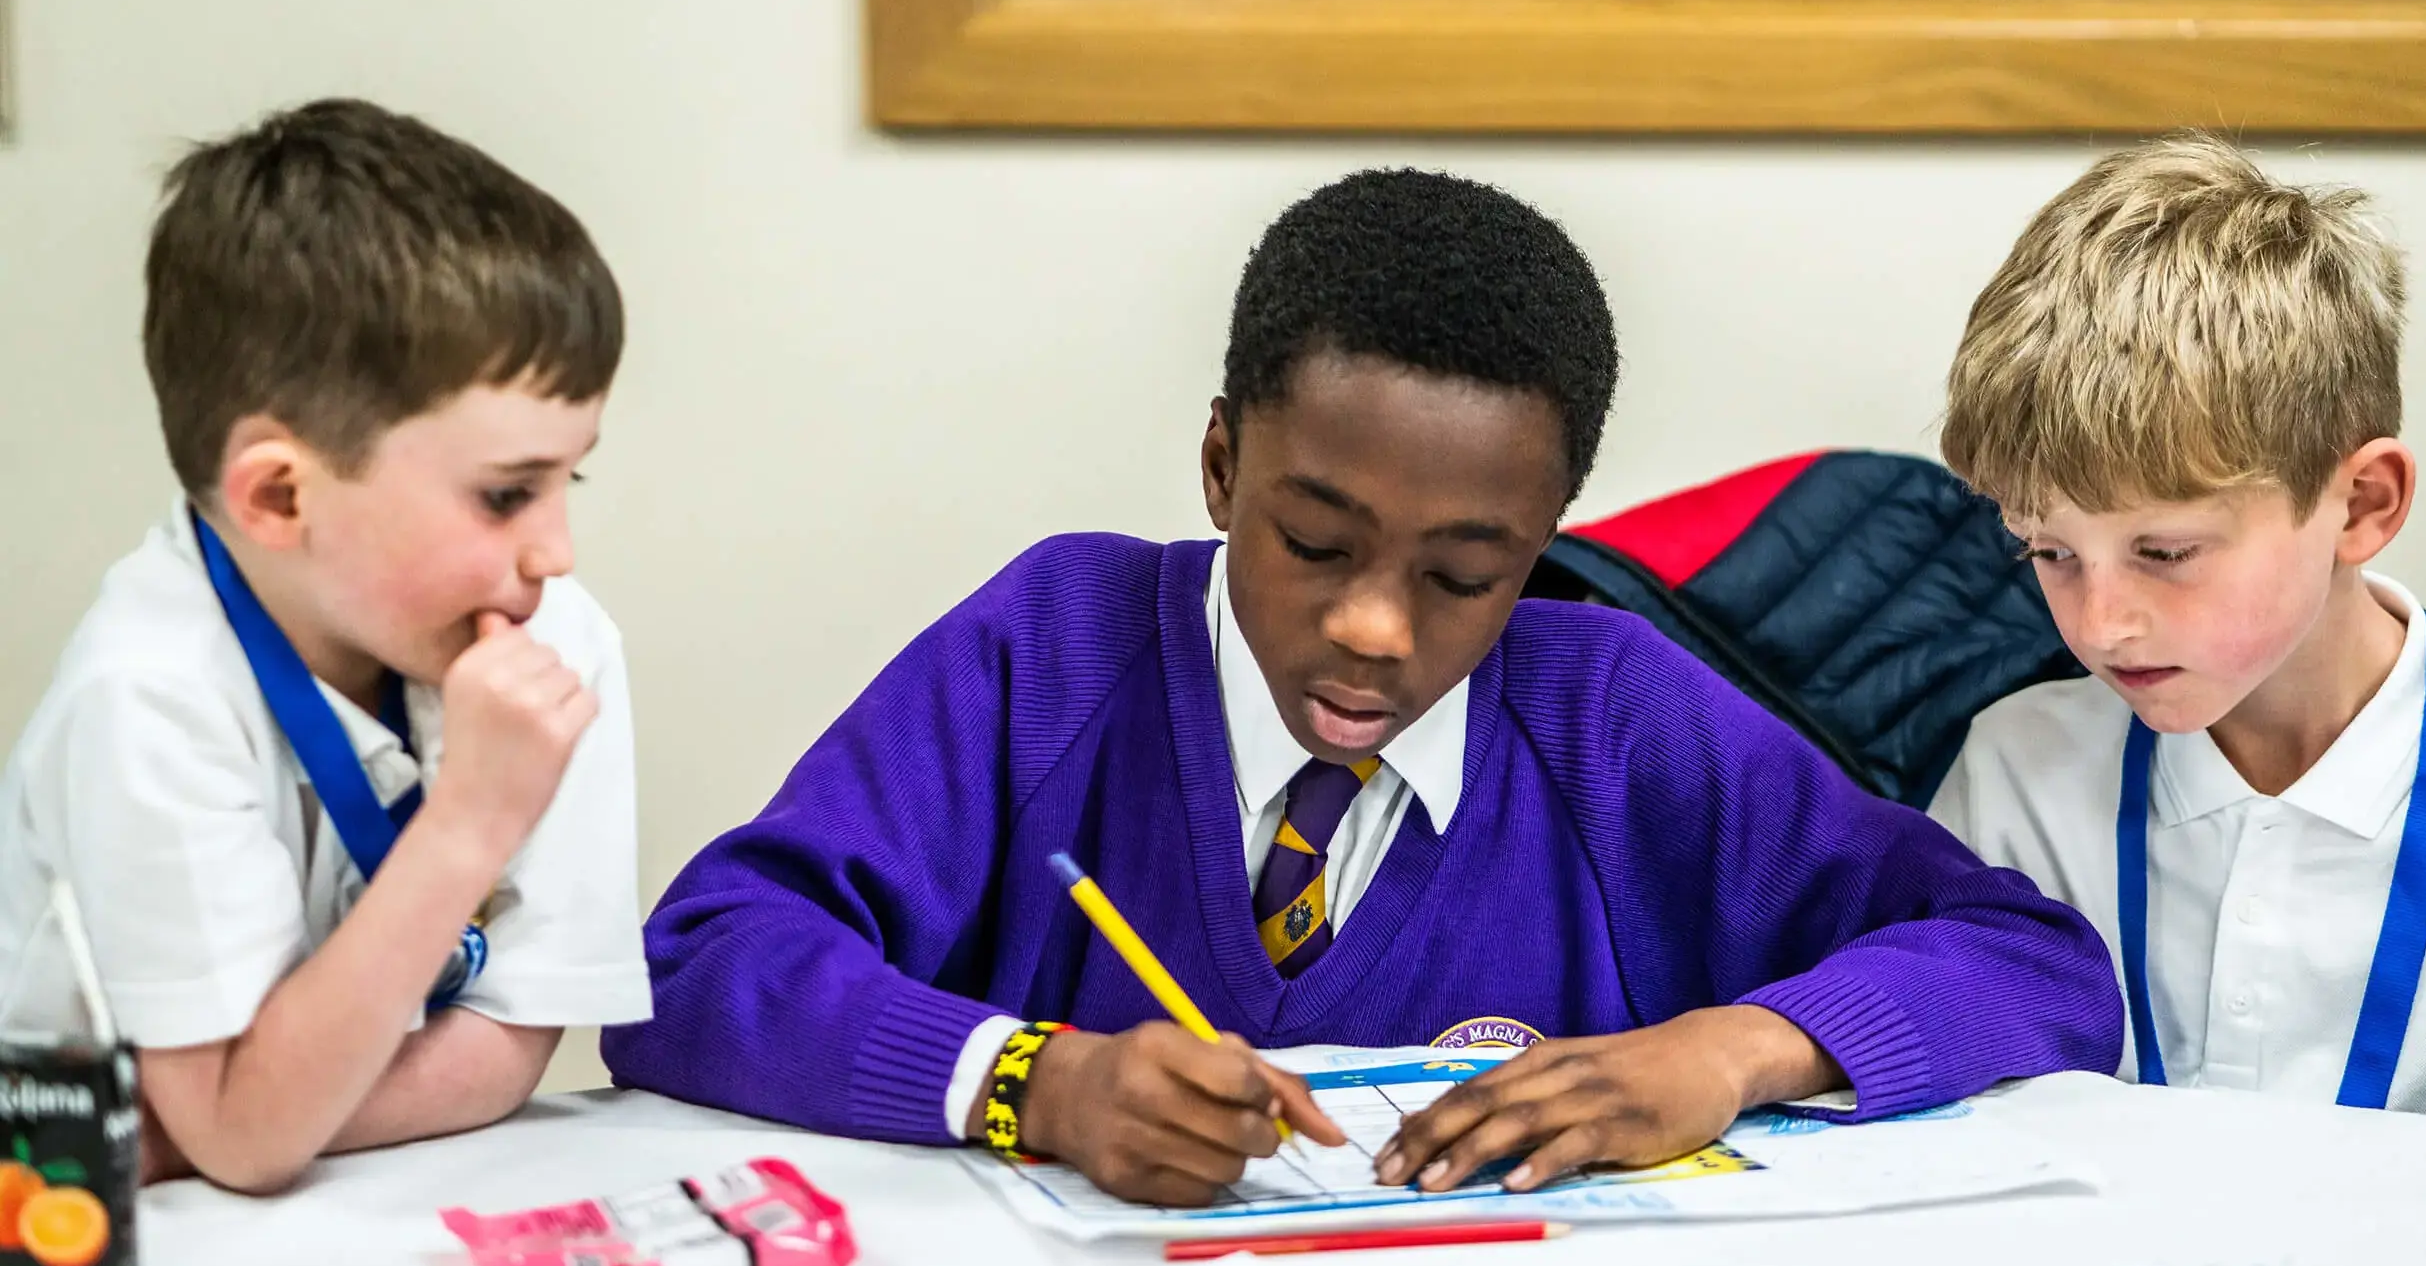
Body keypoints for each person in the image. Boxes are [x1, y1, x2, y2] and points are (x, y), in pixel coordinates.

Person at [605, 168, 2121, 1204]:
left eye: (1469, 575)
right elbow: (695, 964)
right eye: (1317, 542)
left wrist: (1727, 1050)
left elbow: (2032, 961)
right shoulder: (1053, 647)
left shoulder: (1609, 714)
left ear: (1543, 546)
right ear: (1219, 466)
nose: (1380, 628)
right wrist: (1032, 1083)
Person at [0, 98, 652, 1191]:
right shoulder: (146, 693)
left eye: (565, 478)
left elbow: (509, 1050)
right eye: (506, 494)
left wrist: (221, 1121)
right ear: (280, 494)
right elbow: (248, 1142)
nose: (556, 553)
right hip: (91, 1253)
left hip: (311, 1208)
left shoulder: (557, 646)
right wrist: (472, 823)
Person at [1931, 132, 2426, 1125]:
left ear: (2359, 504)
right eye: (2048, 553)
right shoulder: (2015, 771)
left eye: (2166, 553)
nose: (2099, 625)